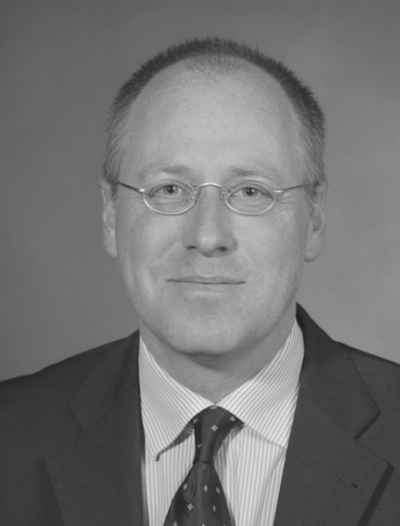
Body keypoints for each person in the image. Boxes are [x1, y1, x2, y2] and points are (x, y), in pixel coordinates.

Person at [0, 37, 399, 526]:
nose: (207, 237)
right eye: (169, 189)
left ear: (313, 218)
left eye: (250, 191)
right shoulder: (9, 436)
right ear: (110, 216)